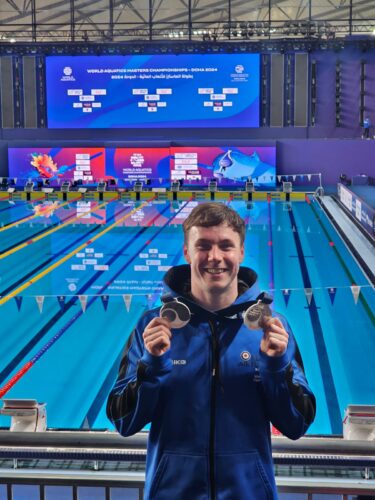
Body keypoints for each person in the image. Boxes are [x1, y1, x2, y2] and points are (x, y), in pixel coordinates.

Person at [107, 202, 316, 499]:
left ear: (241, 253)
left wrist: (275, 367)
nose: (215, 257)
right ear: (188, 252)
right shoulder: (151, 326)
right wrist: (152, 365)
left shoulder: (273, 328)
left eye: (226, 246)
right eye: (203, 245)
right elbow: (122, 421)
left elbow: (297, 424)